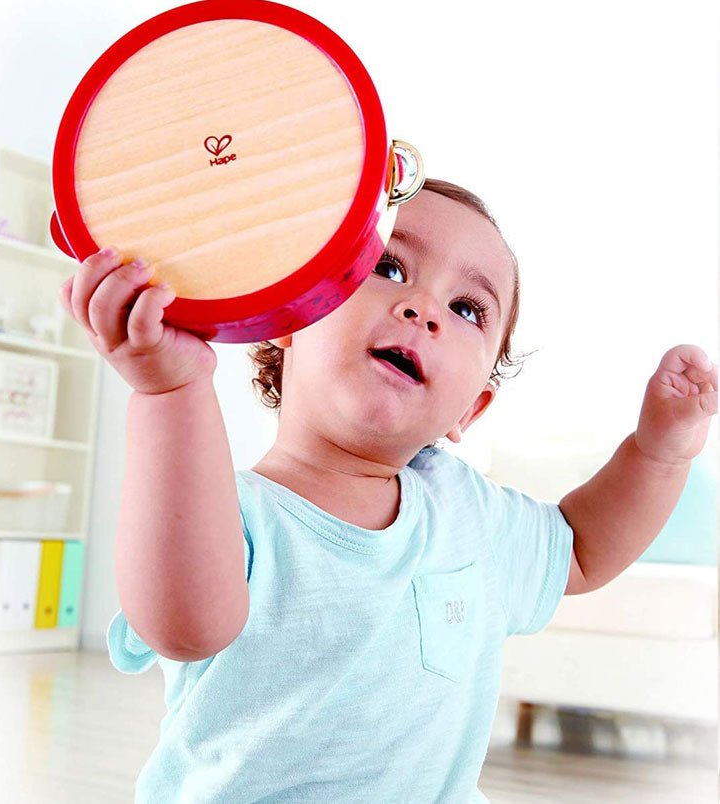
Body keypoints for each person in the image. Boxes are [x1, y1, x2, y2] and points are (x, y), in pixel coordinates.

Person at [59, 179, 718, 803]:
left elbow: (580, 551)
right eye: (389, 267)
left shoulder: (467, 512)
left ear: (472, 410)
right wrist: (172, 391)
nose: (422, 309)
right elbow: (185, 625)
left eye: (467, 309)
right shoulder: (234, 513)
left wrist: (658, 451)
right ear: (292, 313)